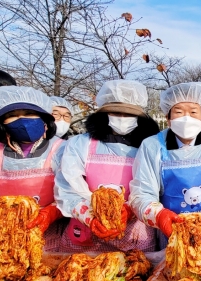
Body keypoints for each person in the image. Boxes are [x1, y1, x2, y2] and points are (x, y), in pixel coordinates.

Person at [55, 80, 160, 252]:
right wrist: (90, 217)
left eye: (128, 114)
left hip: (134, 236)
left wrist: (130, 209)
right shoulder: (81, 144)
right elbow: (67, 189)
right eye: (115, 113)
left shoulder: (149, 146)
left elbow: (153, 189)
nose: (122, 118)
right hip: (87, 232)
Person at [129, 82, 201, 247]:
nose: (187, 118)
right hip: (173, 233)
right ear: (168, 118)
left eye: (193, 112)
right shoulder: (152, 146)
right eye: (178, 112)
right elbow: (142, 192)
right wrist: (159, 216)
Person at [0, 86, 65, 253]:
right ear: (1, 124)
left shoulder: (63, 150)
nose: (22, 120)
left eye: (29, 114)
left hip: (56, 238)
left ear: (44, 120)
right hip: (6, 239)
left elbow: (71, 192)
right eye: (12, 116)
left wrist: (52, 212)